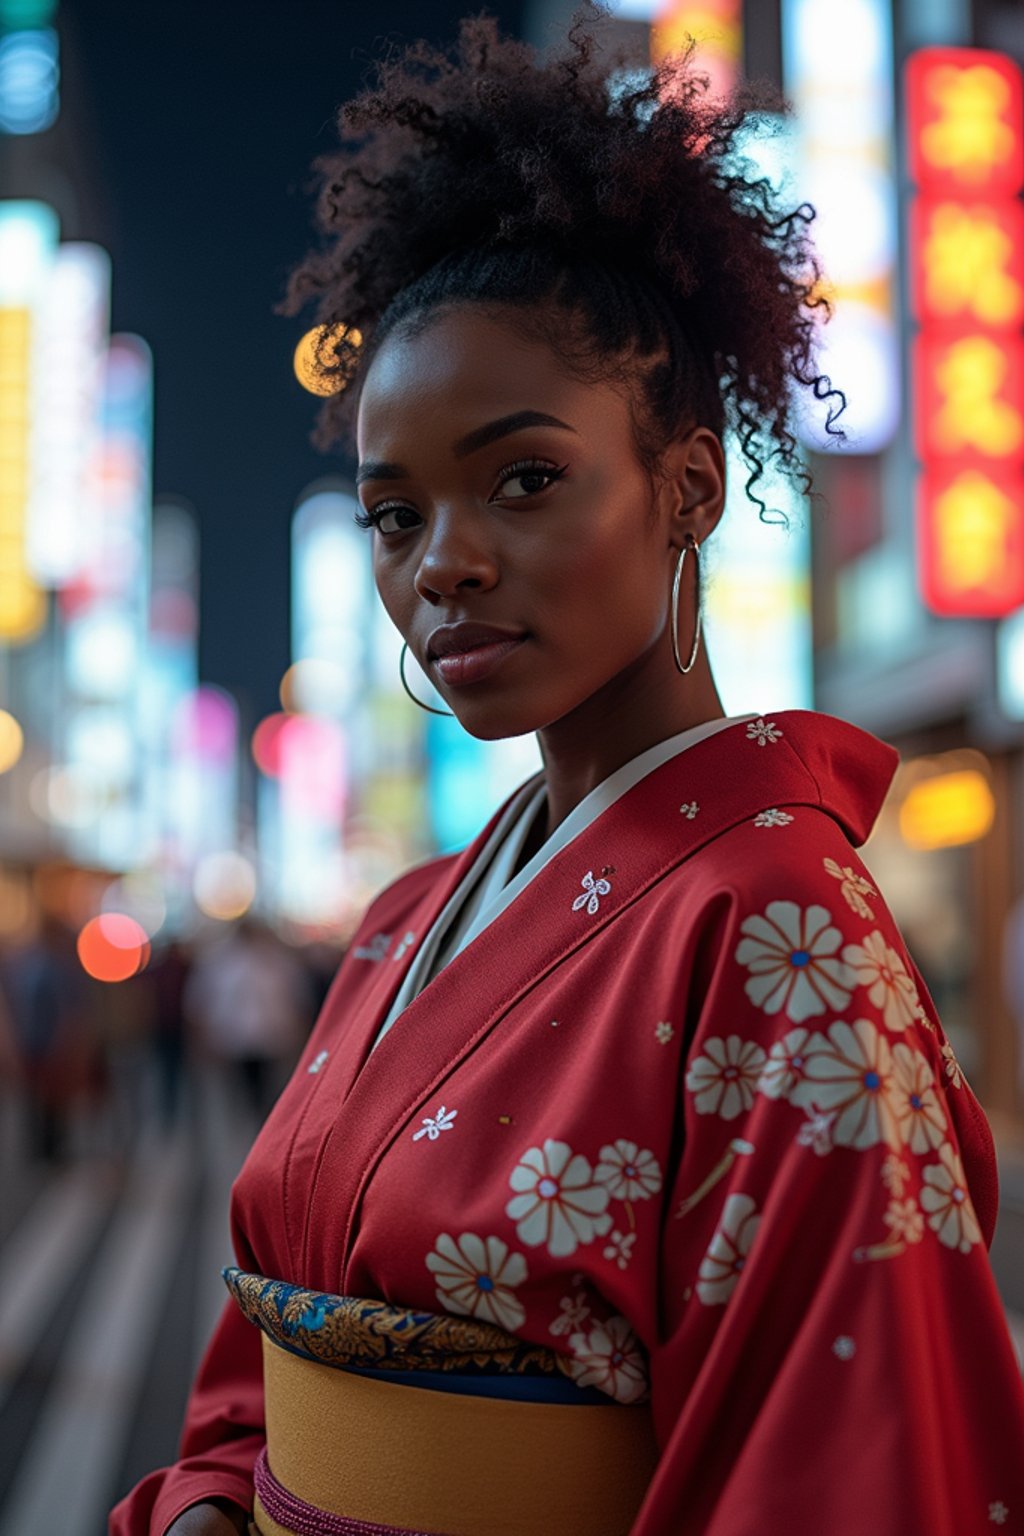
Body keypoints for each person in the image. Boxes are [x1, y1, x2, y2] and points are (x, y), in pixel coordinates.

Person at [111, 7, 1024, 1535]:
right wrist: (216, 1501)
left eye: (524, 479)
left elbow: (846, 1471)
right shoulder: (406, 918)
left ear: (687, 489)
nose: (444, 567)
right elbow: (252, 1390)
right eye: (395, 518)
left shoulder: (787, 936)